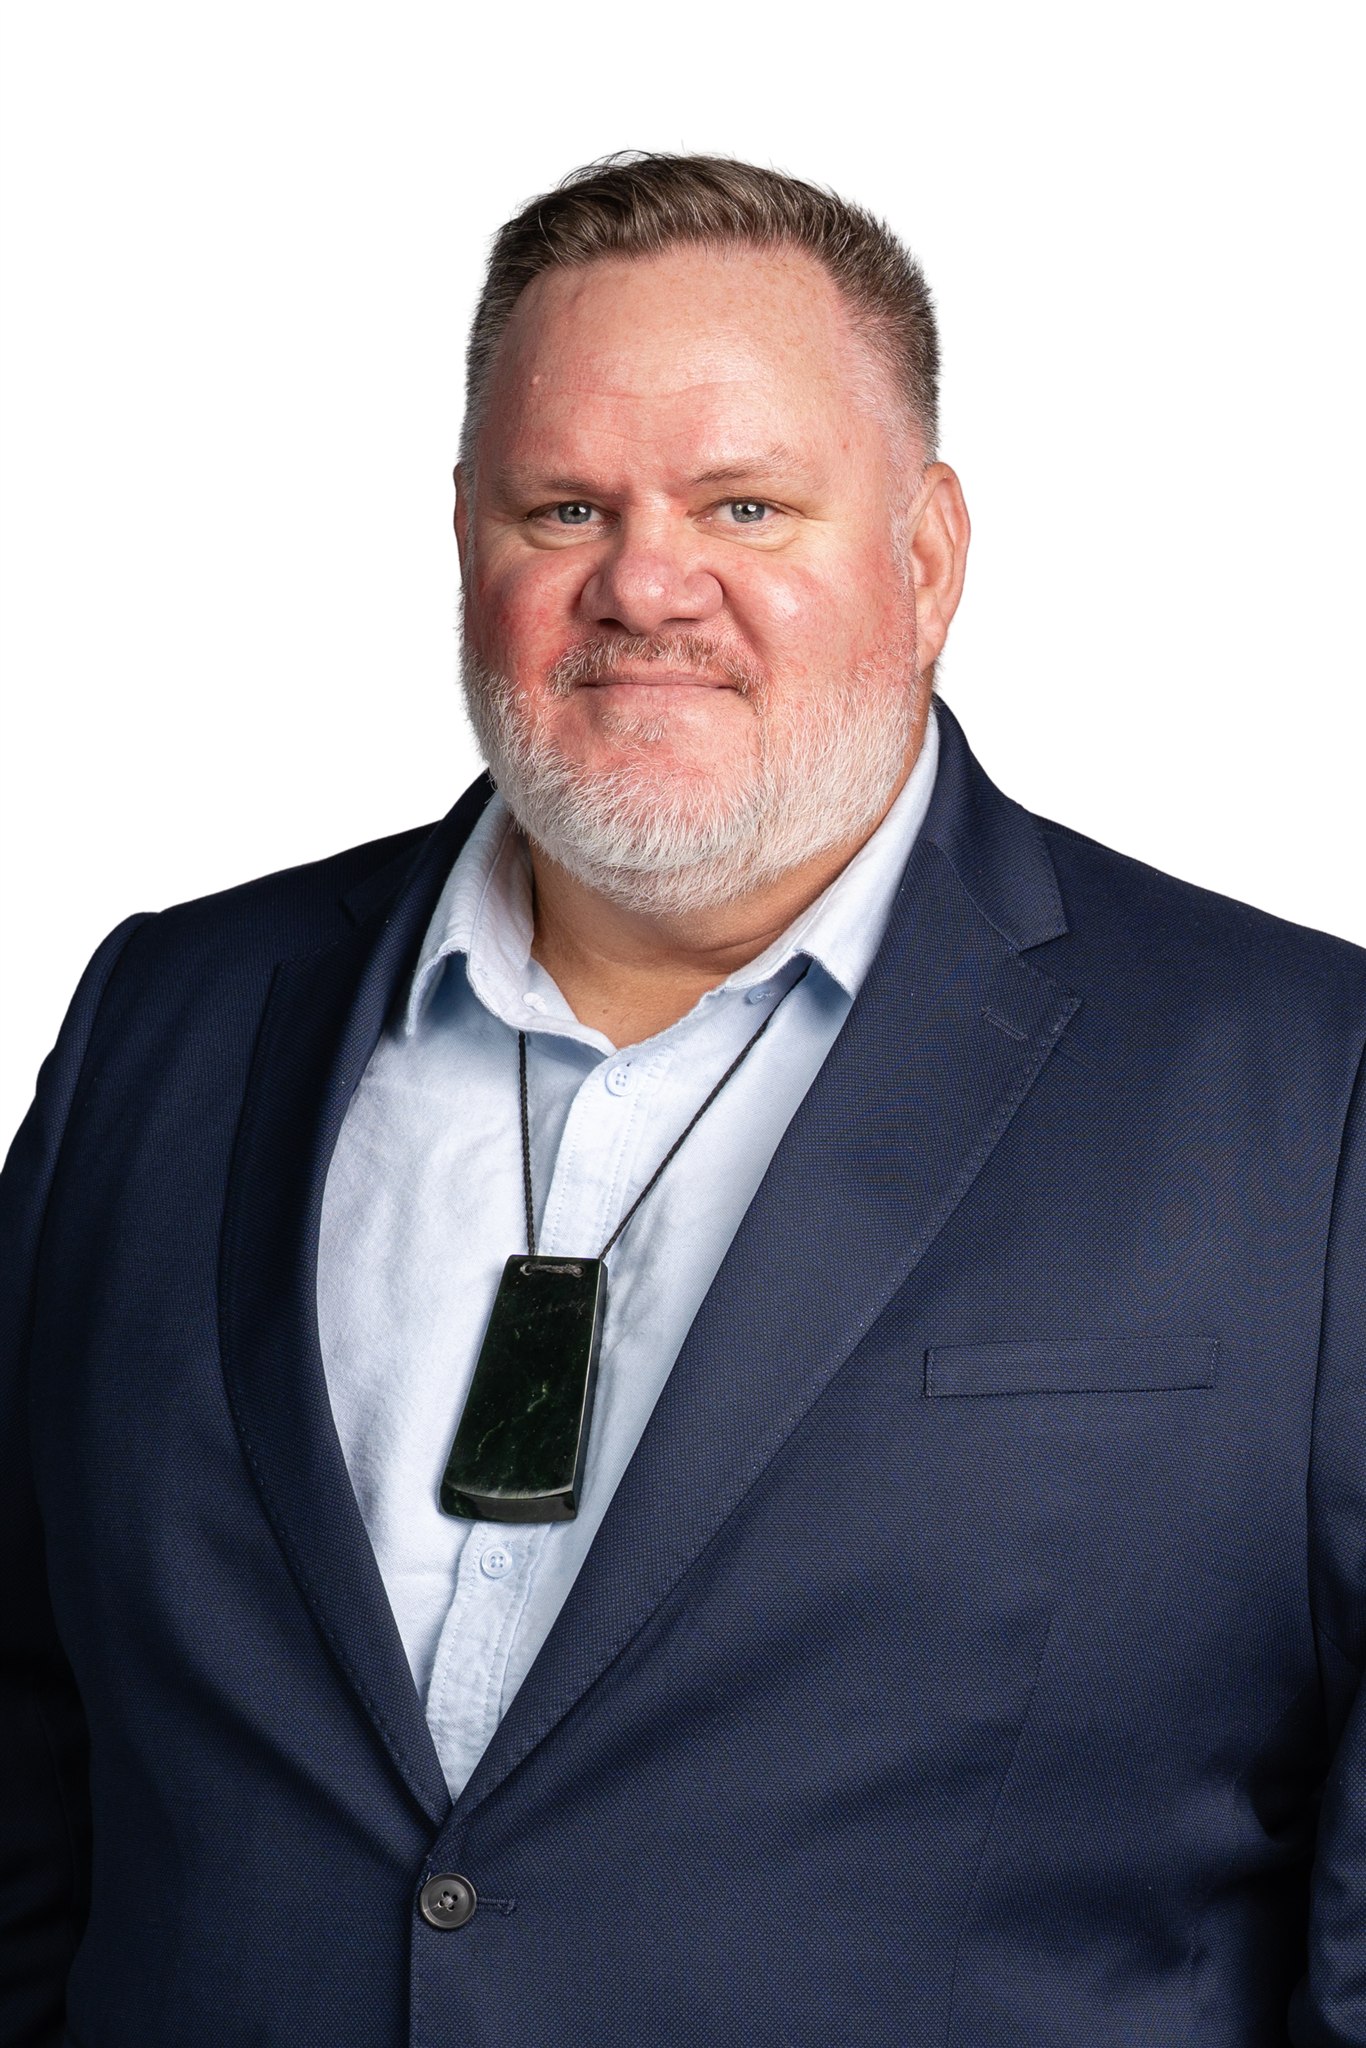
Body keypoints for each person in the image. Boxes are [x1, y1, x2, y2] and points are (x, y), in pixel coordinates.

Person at [1, 151, 1362, 2047]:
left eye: (746, 504)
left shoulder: (1308, 1086)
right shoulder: (169, 1017)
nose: (645, 585)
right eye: (564, 506)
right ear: (463, 539)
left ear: (926, 555)